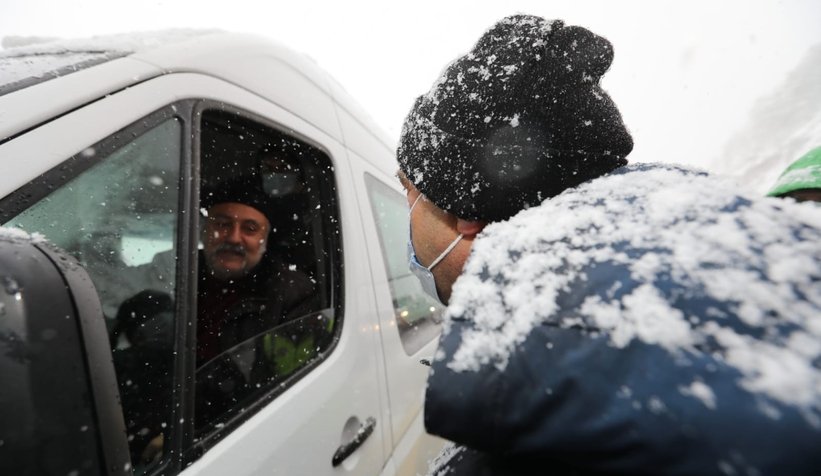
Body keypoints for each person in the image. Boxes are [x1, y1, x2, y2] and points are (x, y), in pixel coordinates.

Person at [397, 15, 821, 475]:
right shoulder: (704, 267)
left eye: (408, 192)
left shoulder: (545, 401)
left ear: (467, 212)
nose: (408, 218)